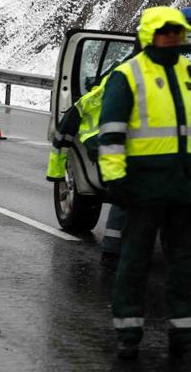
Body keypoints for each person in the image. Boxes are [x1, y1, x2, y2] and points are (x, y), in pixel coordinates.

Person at [98, 6, 191, 362]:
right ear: (149, 34)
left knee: (185, 267)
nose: (172, 36)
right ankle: (128, 336)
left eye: (176, 30)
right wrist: (116, 178)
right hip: (143, 189)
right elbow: (111, 132)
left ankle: (183, 339)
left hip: (186, 189)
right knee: (135, 263)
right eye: (165, 31)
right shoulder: (127, 75)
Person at [47, 64, 131, 269]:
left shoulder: (96, 95)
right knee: (125, 197)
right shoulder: (129, 86)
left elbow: (61, 137)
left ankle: (113, 252)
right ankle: (112, 252)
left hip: (104, 148)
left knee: (124, 197)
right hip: (107, 148)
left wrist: (57, 174)